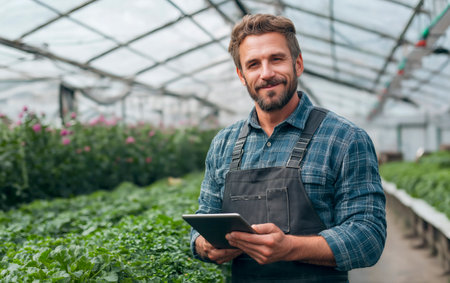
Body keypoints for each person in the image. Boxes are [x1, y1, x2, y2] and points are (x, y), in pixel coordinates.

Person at [190, 14, 386, 282]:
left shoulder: (345, 138)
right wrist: (205, 245)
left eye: (276, 59)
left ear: (298, 63)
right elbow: (203, 219)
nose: (266, 73)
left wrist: (290, 248)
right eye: (253, 64)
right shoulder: (223, 144)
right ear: (241, 75)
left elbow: (369, 236)